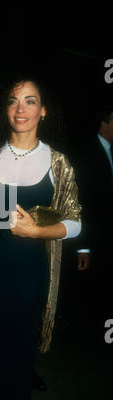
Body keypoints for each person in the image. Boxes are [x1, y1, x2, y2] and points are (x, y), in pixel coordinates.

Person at [0, 75, 82, 400]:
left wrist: (36, 233)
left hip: (28, 279)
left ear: (43, 111)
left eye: (30, 100)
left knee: (16, 363)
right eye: (13, 100)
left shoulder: (58, 163)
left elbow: (75, 223)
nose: (21, 108)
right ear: (5, 109)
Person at [70, 103, 113, 323]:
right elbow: (80, 202)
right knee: (89, 289)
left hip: (108, 238)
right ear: (104, 124)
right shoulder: (85, 154)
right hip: (93, 237)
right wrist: (83, 246)